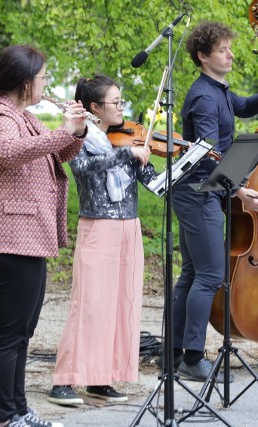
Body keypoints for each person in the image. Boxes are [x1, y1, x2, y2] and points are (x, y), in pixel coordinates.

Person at [0, 44, 87, 427]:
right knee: (9, 333)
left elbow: (53, 155)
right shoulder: (0, 119)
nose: (47, 82)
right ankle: (4, 417)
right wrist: (61, 130)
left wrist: (76, 132)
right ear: (24, 82)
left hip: (25, 237)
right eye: (43, 76)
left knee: (22, 332)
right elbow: (11, 152)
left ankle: (18, 411)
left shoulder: (24, 116)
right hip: (5, 239)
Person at [171, 20, 258, 382]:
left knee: (192, 274)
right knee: (209, 275)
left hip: (201, 192)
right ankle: (192, 357)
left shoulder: (218, 90)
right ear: (203, 56)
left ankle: (173, 354)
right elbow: (208, 155)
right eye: (223, 49)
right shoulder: (204, 98)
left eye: (229, 48)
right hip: (198, 193)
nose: (231, 53)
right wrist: (238, 190)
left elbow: (243, 106)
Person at [47, 75, 157, 406]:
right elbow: (82, 168)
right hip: (99, 226)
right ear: (95, 107)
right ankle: (64, 381)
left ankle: (100, 378)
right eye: (116, 102)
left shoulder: (115, 140)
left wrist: (177, 175)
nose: (122, 107)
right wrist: (127, 154)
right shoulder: (83, 135)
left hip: (129, 227)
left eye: (122, 101)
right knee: (91, 305)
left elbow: (149, 180)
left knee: (121, 304)